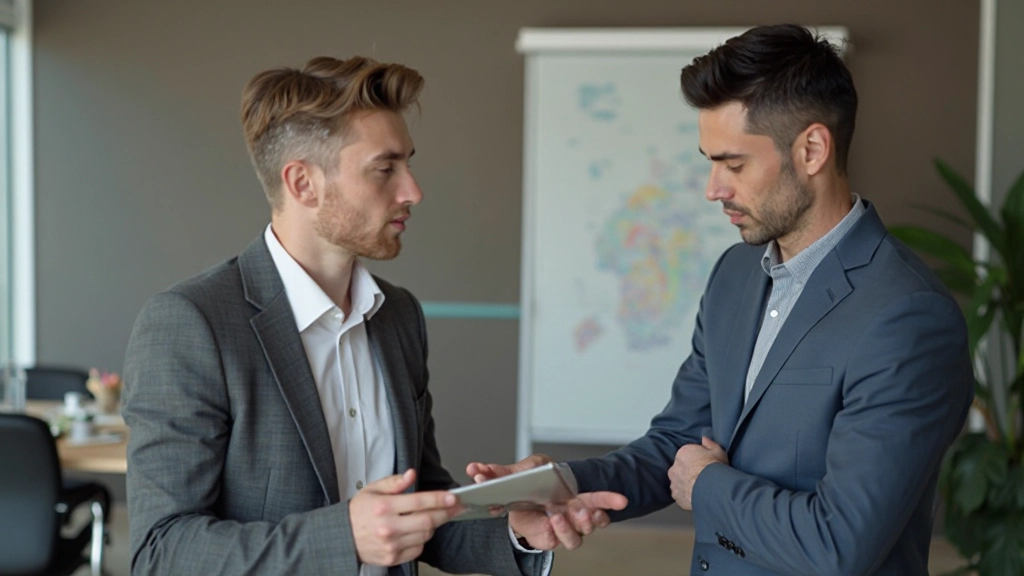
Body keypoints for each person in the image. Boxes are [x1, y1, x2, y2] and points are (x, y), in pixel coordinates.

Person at [469, 24, 974, 575]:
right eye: (710, 162)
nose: (713, 189)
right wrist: (559, 485)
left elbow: (840, 545)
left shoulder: (908, 316)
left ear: (812, 150)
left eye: (734, 165)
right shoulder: (734, 275)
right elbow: (679, 442)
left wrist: (708, 483)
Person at [122, 55, 625, 576]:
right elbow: (162, 553)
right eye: (385, 169)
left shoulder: (399, 316)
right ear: (303, 184)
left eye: (407, 164)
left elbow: (418, 512)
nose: (413, 191)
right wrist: (344, 538)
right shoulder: (190, 324)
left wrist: (516, 528)